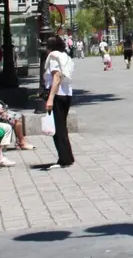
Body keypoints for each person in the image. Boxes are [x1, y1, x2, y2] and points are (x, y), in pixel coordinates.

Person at [44, 35, 75, 169]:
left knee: (58, 128)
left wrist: (50, 98)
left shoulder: (53, 57)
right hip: (67, 93)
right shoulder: (65, 57)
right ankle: (68, 156)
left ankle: (64, 159)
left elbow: (56, 77)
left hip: (57, 94)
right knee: (62, 126)